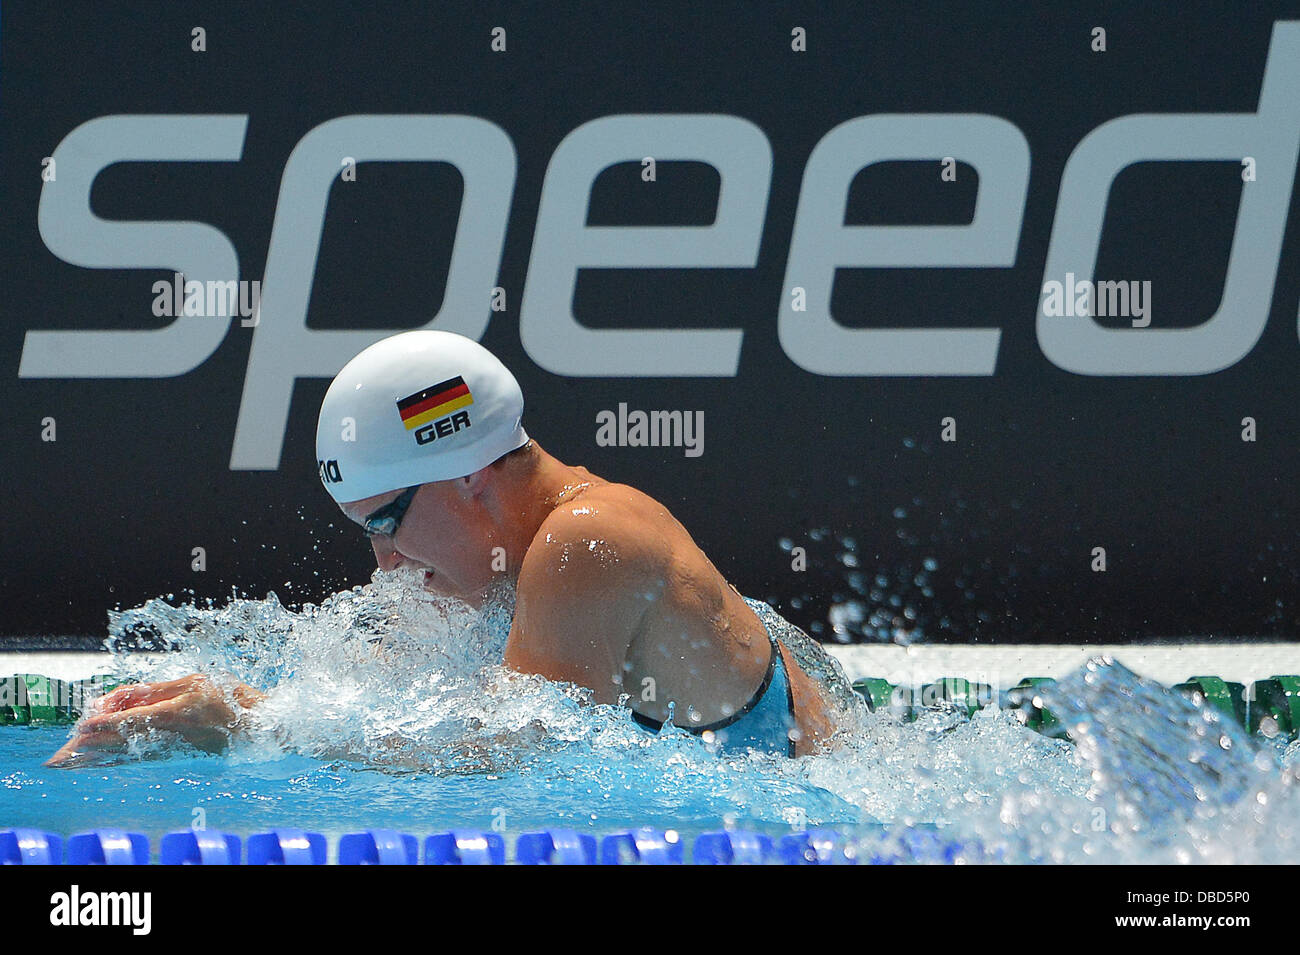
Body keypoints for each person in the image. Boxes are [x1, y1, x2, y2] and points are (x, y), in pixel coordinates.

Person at [47, 331, 855, 767]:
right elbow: (397, 713)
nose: (387, 564)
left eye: (387, 522)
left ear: (469, 475)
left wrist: (250, 727)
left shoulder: (588, 540)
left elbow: (504, 757)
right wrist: (239, 699)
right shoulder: (499, 572)